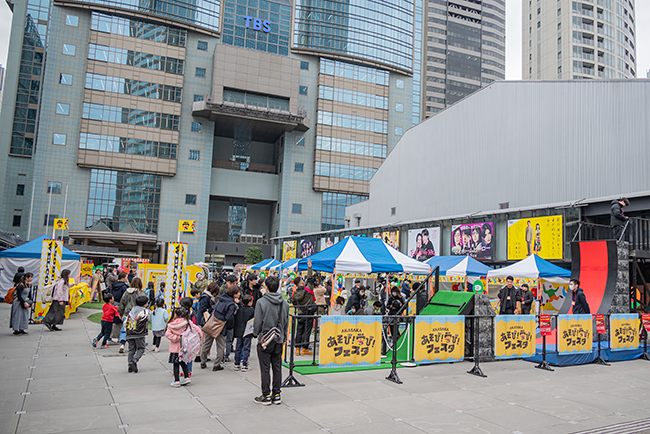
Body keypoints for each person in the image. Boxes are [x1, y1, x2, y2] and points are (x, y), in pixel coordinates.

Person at [253, 275, 289, 406]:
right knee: (277, 367)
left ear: (266, 287)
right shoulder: (284, 303)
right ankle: (277, 394)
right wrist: (284, 337)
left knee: (265, 368)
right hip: (279, 339)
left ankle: (266, 395)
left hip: (265, 339)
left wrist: (256, 333)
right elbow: (286, 322)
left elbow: (257, 322)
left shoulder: (261, 302)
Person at [202, 285, 239, 371]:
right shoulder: (231, 304)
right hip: (221, 325)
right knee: (221, 346)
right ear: (234, 294)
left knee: (207, 343)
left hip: (212, 321)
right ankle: (217, 364)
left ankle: (203, 361)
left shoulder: (222, 298)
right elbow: (229, 317)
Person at [166, 306, 202, 387]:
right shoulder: (188, 323)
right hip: (185, 348)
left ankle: (176, 380)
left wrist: (176, 338)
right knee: (183, 363)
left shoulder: (172, 324)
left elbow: (167, 334)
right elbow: (197, 329)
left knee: (176, 364)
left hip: (175, 348)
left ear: (175, 314)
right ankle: (186, 377)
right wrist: (199, 337)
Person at [118, 277, 146, 354]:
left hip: (127, 313)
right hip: (137, 315)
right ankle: (136, 346)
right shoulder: (141, 293)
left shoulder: (126, 292)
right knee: (136, 330)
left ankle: (122, 344)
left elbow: (122, 303)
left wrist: (121, 313)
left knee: (124, 329)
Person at [292, 263, 315, 355]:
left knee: (299, 330)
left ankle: (297, 348)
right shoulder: (307, 290)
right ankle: (304, 348)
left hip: (299, 313)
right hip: (308, 313)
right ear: (301, 282)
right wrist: (310, 267)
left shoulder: (294, 294)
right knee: (307, 331)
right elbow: (310, 279)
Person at [125, 295, 150, 373]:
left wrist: (127, 330)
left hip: (130, 332)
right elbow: (146, 318)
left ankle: (130, 365)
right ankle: (134, 361)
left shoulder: (131, 311)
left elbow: (125, 321)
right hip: (139, 333)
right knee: (141, 348)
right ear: (145, 304)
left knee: (131, 349)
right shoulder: (145, 311)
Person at [233, 294, 255, 372]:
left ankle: (237, 363)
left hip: (239, 331)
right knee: (246, 348)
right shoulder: (252, 311)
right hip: (247, 332)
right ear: (249, 302)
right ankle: (244, 364)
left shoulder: (239, 310)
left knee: (238, 348)